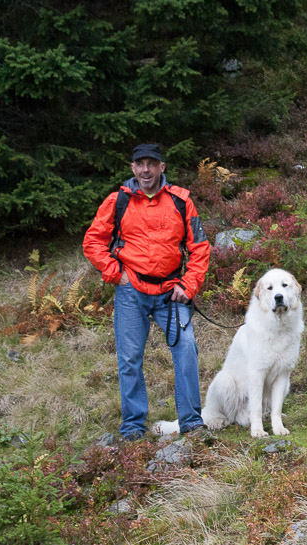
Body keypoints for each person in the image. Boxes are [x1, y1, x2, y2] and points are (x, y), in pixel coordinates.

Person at [83, 144, 211, 440]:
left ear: (161, 167)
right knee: (130, 358)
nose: (145, 170)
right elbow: (92, 241)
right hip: (131, 293)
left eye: (151, 164)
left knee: (187, 349)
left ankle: (192, 423)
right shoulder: (118, 201)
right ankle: (132, 428)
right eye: (139, 164)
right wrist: (116, 273)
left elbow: (200, 247)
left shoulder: (182, 201)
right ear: (132, 168)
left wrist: (188, 285)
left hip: (171, 292)